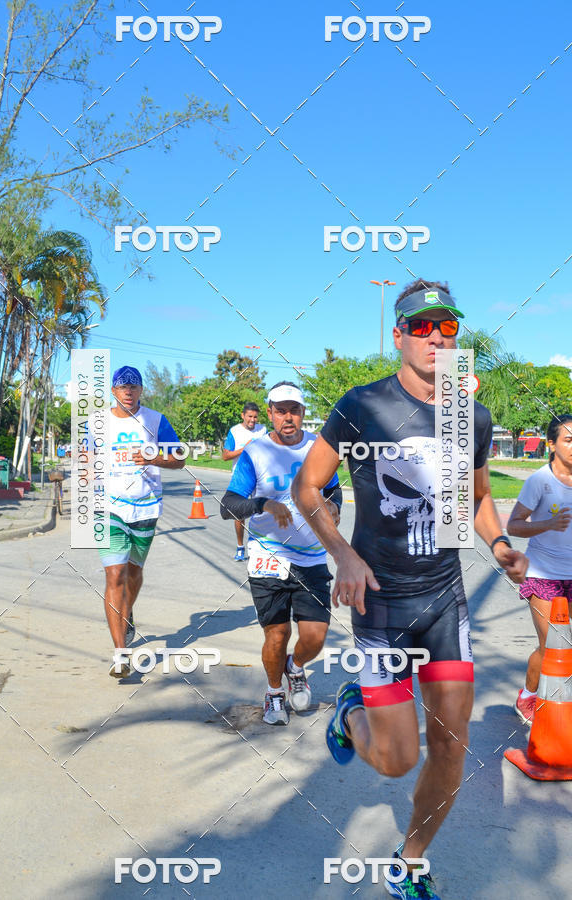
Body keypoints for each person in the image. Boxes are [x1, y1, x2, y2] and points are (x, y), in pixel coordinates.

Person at [292, 280, 528, 899]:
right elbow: (306, 487)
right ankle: (351, 712)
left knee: (451, 747)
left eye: (446, 327)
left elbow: (479, 496)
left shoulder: (471, 415)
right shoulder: (362, 405)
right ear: (397, 335)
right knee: (397, 759)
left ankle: (409, 862)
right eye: (421, 327)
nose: (435, 338)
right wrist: (342, 554)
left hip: (445, 601)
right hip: (381, 602)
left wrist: (499, 544)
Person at [220, 382, 342, 725]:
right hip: (267, 556)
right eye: (280, 411)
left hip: (311, 556)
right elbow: (228, 506)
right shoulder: (255, 452)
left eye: (294, 410)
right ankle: (274, 692)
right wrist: (262, 504)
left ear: (303, 413)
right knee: (277, 635)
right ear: (270, 413)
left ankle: (295, 667)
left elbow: (333, 490)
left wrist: (334, 505)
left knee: (315, 636)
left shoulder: (319, 448)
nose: (288, 417)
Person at [99, 366, 185, 678]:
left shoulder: (156, 421)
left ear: (141, 390)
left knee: (133, 574)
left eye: (133, 386)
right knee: (115, 575)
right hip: (109, 507)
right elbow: (84, 460)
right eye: (123, 387)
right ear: (113, 391)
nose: (128, 391)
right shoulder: (97, 423)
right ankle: (120, 653)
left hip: (146, 507)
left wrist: (153, 459)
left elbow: (180, 459)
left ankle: (127, 612)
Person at [507, 414, 572, 724]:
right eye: (568, 440)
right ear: (552, 444)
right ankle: (528, 695)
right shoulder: (540, 481)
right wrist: (548, 523)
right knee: (551, 645)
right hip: (544, 575)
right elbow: (514, 525)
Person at [222, 401, 267, 560]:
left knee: (261, 511)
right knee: (239, 514)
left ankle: (261, 546)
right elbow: (225, 456)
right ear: (243, 415)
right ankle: (240, 546)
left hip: (260, 476)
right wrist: (244, 449)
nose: (252, 420)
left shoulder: (263, 430)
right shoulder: (235, 431)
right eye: (249, 416)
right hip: (240, 478)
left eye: (255, 417)